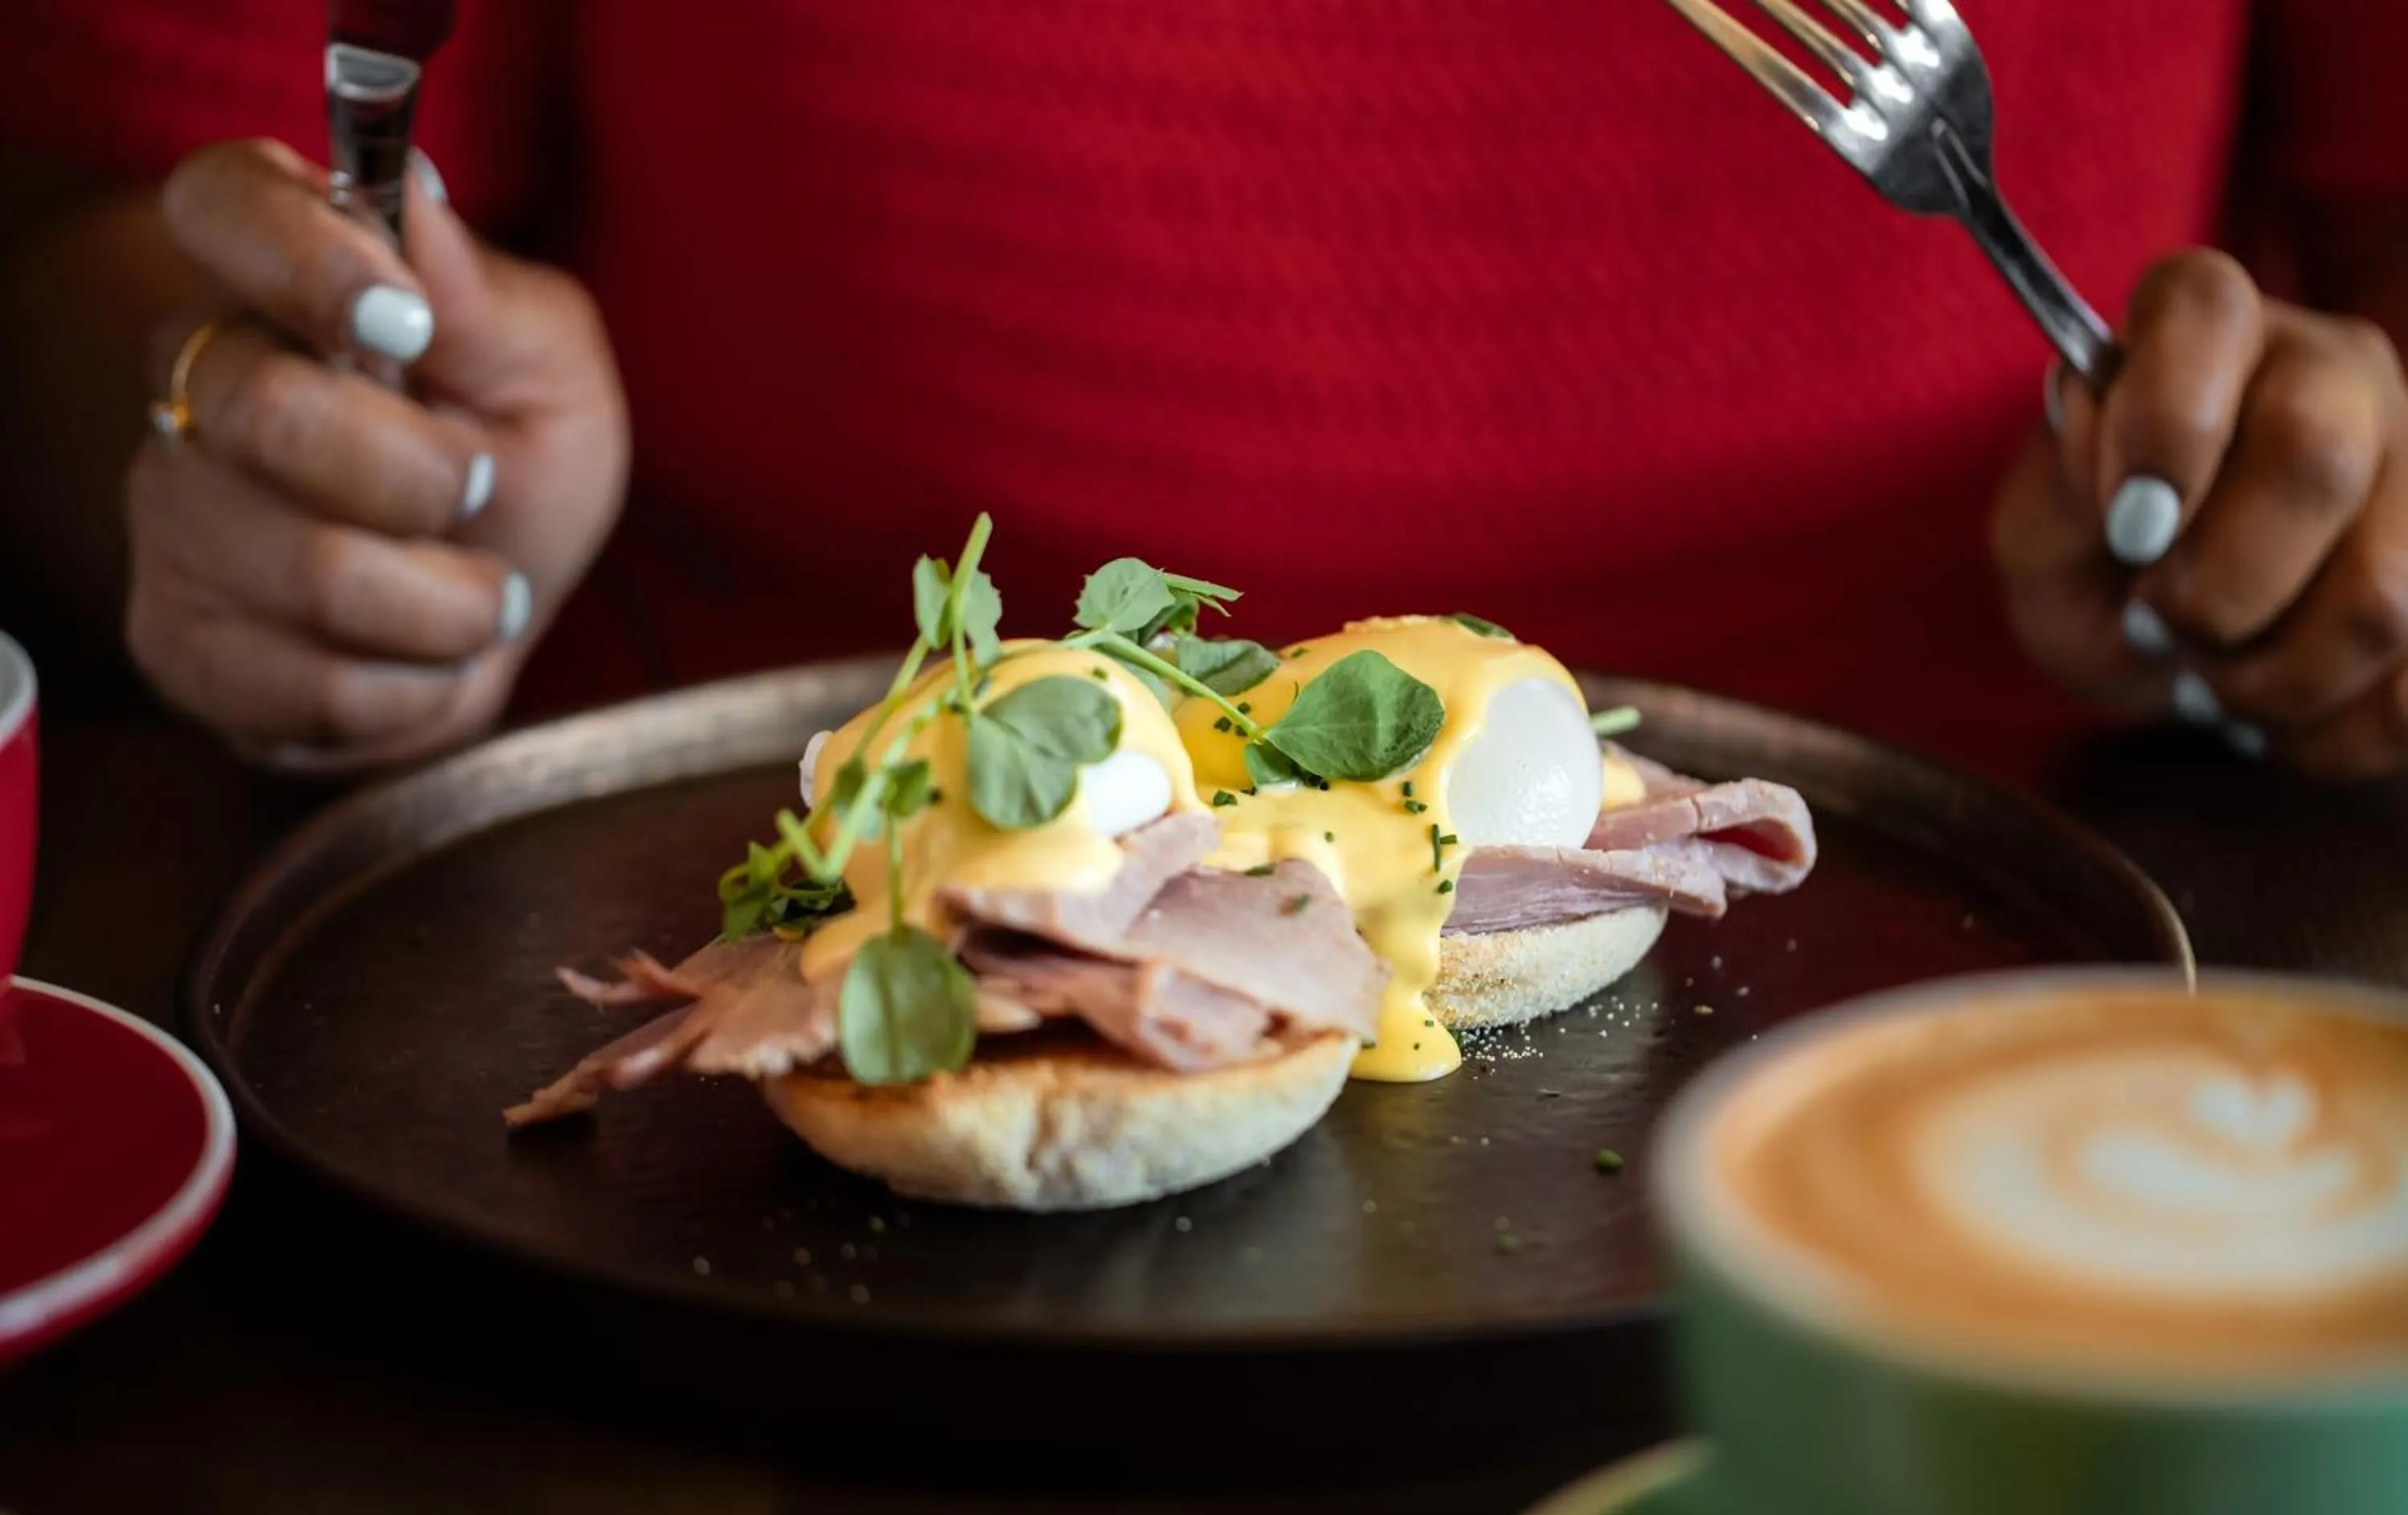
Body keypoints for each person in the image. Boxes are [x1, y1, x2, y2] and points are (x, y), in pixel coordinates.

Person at [2, 1, 2406, 783]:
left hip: (2049, 970)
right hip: (755, 946)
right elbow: (99, 216)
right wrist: (342, 473)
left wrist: (2321, 531)